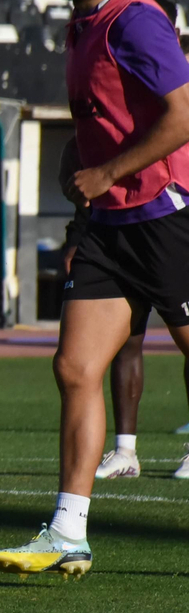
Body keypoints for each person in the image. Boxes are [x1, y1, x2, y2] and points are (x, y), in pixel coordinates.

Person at [0, 0, 189, 578]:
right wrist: (87, 185)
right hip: (112, 226)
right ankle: (67, 530)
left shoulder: (136, 20)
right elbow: (105, 120)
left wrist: (106, 169)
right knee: (76, 369)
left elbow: (183, 115)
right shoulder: (84, 24)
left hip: (168, 216)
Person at [60, 137, 189, 481]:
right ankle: (125, 451)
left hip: (168, 223)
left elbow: (178, 120)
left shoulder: (163, 96)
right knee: (119, 346)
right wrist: (76, 237)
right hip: (114, 231)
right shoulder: (95, 119)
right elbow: (85, 163)